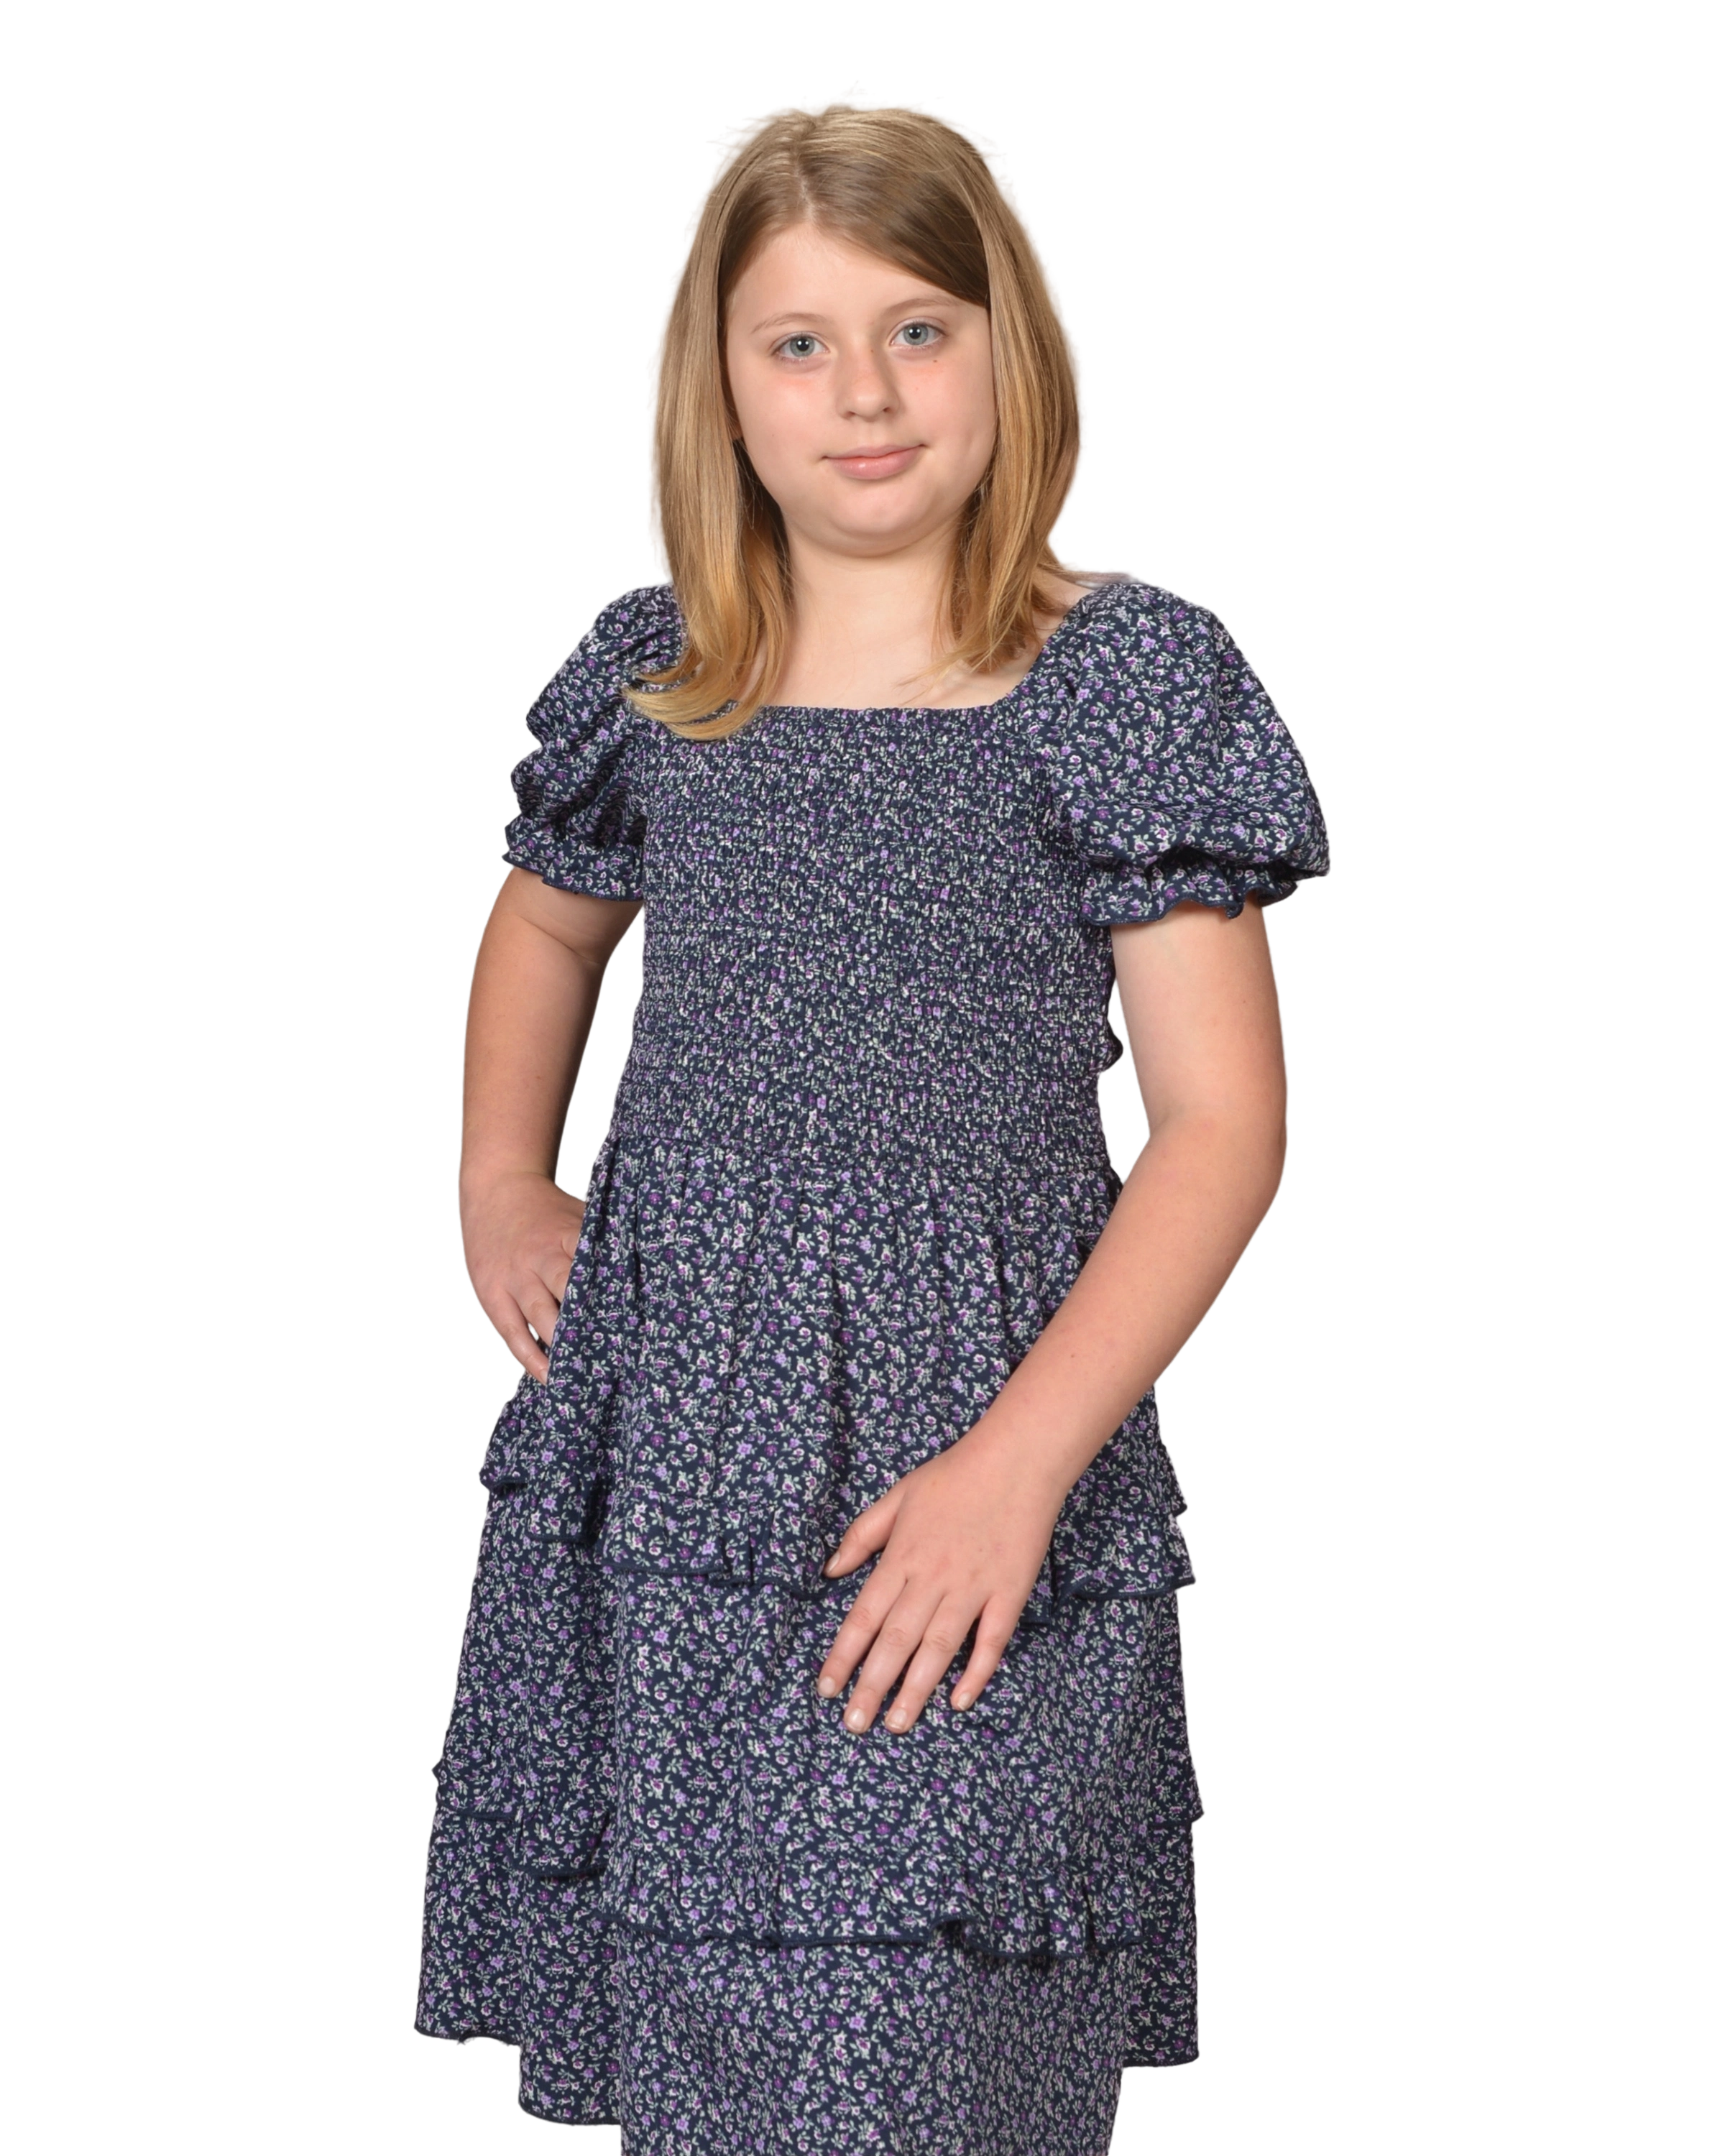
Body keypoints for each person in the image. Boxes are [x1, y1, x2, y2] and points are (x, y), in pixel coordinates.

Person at [412, 80, 1333, 2156]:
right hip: (682, 1466)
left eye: (921, 329)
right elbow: (547, 924)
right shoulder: (661, 673)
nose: (866, 394)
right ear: (717, 383)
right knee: (718, 2061)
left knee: (943, 2048)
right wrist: (498, 1178)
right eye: (800, 342)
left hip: (980, 1450)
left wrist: (1017, 1472)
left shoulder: (1124, 681)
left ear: (1015, 347)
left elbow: (1221, 1130)